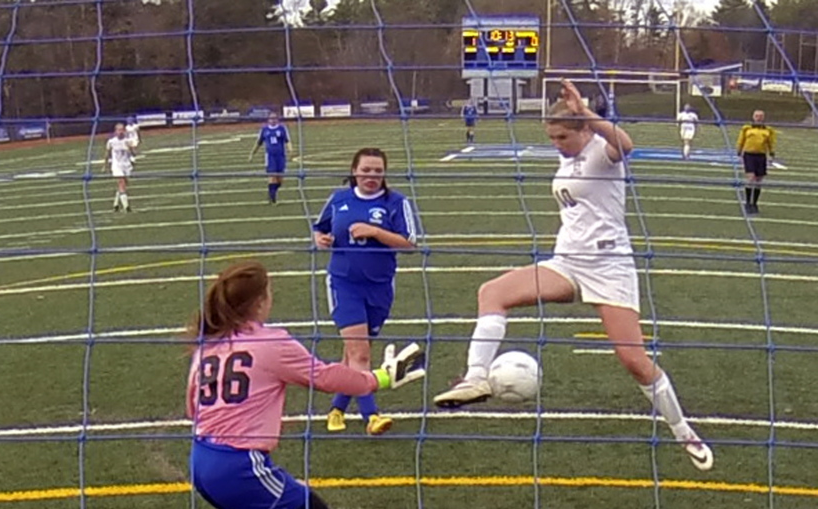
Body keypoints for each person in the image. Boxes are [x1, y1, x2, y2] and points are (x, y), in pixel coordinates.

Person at [433, 79, 713, 472]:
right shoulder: (566, 157)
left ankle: (684, 431)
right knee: (492, 292)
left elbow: (626, 144)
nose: (556, 143)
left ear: (582, 128)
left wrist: (588, 114)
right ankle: (475, 377)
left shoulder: (603, 151)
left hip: (609, 267)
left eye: (562, 135)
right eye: (551, 136)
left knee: (633, 360)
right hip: (566, 263)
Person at [187, 261, 425, 509]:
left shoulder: (208, 345)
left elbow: (192, 405)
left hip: (201, 457)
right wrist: (381, 379)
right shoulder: (271, 341)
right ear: (260, 302)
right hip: (238, 463)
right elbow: (326, 376)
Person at [313, 147, 419, 436]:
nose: (371, 176)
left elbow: (410, 243)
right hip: (344, 283)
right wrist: (320, 238)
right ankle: (372, 416)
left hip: (380, 286)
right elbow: (319, 227)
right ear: (354, 171)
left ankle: (336, 408)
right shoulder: (339, 199)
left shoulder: (396, 202)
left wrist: (375, 232)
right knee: (359, 352)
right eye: (366, 170)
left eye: (377, 171)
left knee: (355, 352)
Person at [736, 109, 776, 215]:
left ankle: (754, 203)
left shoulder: (768, 130)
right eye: (757, 115)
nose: (759, 117)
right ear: (753, 117)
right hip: (749, 155)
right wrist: (739, 151)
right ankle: (748, 203)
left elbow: (770, 142)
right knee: (751, 178)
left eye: (761, 116)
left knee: (758, 181)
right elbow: (741, 140)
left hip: (761, 156)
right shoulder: (746, 128)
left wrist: (771, 153)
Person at [249, 111, 291, 204]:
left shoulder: (282, 128)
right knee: (272, 177)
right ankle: (273, 198)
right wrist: (252, 153)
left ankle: (272, 191)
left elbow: (287, 141)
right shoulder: (264, 130)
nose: (273, 120)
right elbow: (258, 143)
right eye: (271, 118)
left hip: (280, 156)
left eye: (274, 118)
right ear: (268, 120)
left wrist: (291, 151)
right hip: (270, 157)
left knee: (280, 180)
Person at [103, 123, 135, 212]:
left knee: (123, 185)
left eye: (122, 130)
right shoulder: (111, 141)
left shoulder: (127, 141)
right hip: (117, 165)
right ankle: (126, 206)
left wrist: (132, 158)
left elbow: (132, 152)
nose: (120, 132)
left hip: (126, 165)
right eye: (118, 130)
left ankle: (116, 204)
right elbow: (107, 153)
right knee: (121, 182)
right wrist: (105, 165)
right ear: (115, 131)